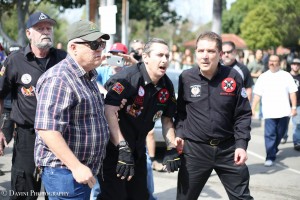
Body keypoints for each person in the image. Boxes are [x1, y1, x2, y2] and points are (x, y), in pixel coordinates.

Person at [34, 20, 110, 199]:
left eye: (102, 43)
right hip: (65, 172)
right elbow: (48, 130)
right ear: (74, 47)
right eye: (93, 44)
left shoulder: (88, 75)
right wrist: (76, 166)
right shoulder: (59, 79)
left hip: (81, 170)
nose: (100, 49)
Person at [98, 38, 181, 200]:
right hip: (114, 150)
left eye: (167, 56)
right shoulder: (128, 78)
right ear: (146, 57)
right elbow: (109, 111)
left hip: (137, 151)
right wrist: (122, 147)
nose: (164, 60)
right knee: (115, 197)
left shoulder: (166, 85)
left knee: (140, 196)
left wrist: (171, 147)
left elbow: (167, 120)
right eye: (159, 55)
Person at [175, 31, 253, 200]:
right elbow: (181, 112)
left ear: (220, 54)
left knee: (242, 198)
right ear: (195, 52)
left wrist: (241, 144)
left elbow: (243, 114)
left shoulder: (233, 77)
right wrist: (179, 134)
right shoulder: (186, 78)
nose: (205, 56)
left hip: (229, 150)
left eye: (210, 51)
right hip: (195, 151)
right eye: (201, 51)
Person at [0, 12, 67, 199]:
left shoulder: (63, 59)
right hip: (27, 136)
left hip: (59, 135)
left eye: (48, 28)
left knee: (57, 191)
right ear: (29, 33)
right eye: (40, 29)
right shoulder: (15, 60)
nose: (46, 32)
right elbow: (1, 94)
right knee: (24, 190)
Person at [251, 55, 297, 167]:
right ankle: (270, 156)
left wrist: (294, 108)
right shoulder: (263, 77)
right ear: (268, 63)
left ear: (279, 63)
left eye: (275, 61)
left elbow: (292, 92)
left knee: (280, 134)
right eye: (270, 61)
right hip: (269, 112)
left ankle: (273, 148)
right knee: (270, 134)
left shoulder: (286, 76)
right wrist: (252, 108)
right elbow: (257, 94)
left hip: (284, 111)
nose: (272, 63)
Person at [288, 58, 300, 151]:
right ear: (291, 65)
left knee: (297, 124)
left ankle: (297, 142)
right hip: (285, 104)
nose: (296, 65)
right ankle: (283, 136)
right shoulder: (286, 76)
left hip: (298, 104)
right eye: (294, 64)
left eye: (298, 64)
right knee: (282, 125)